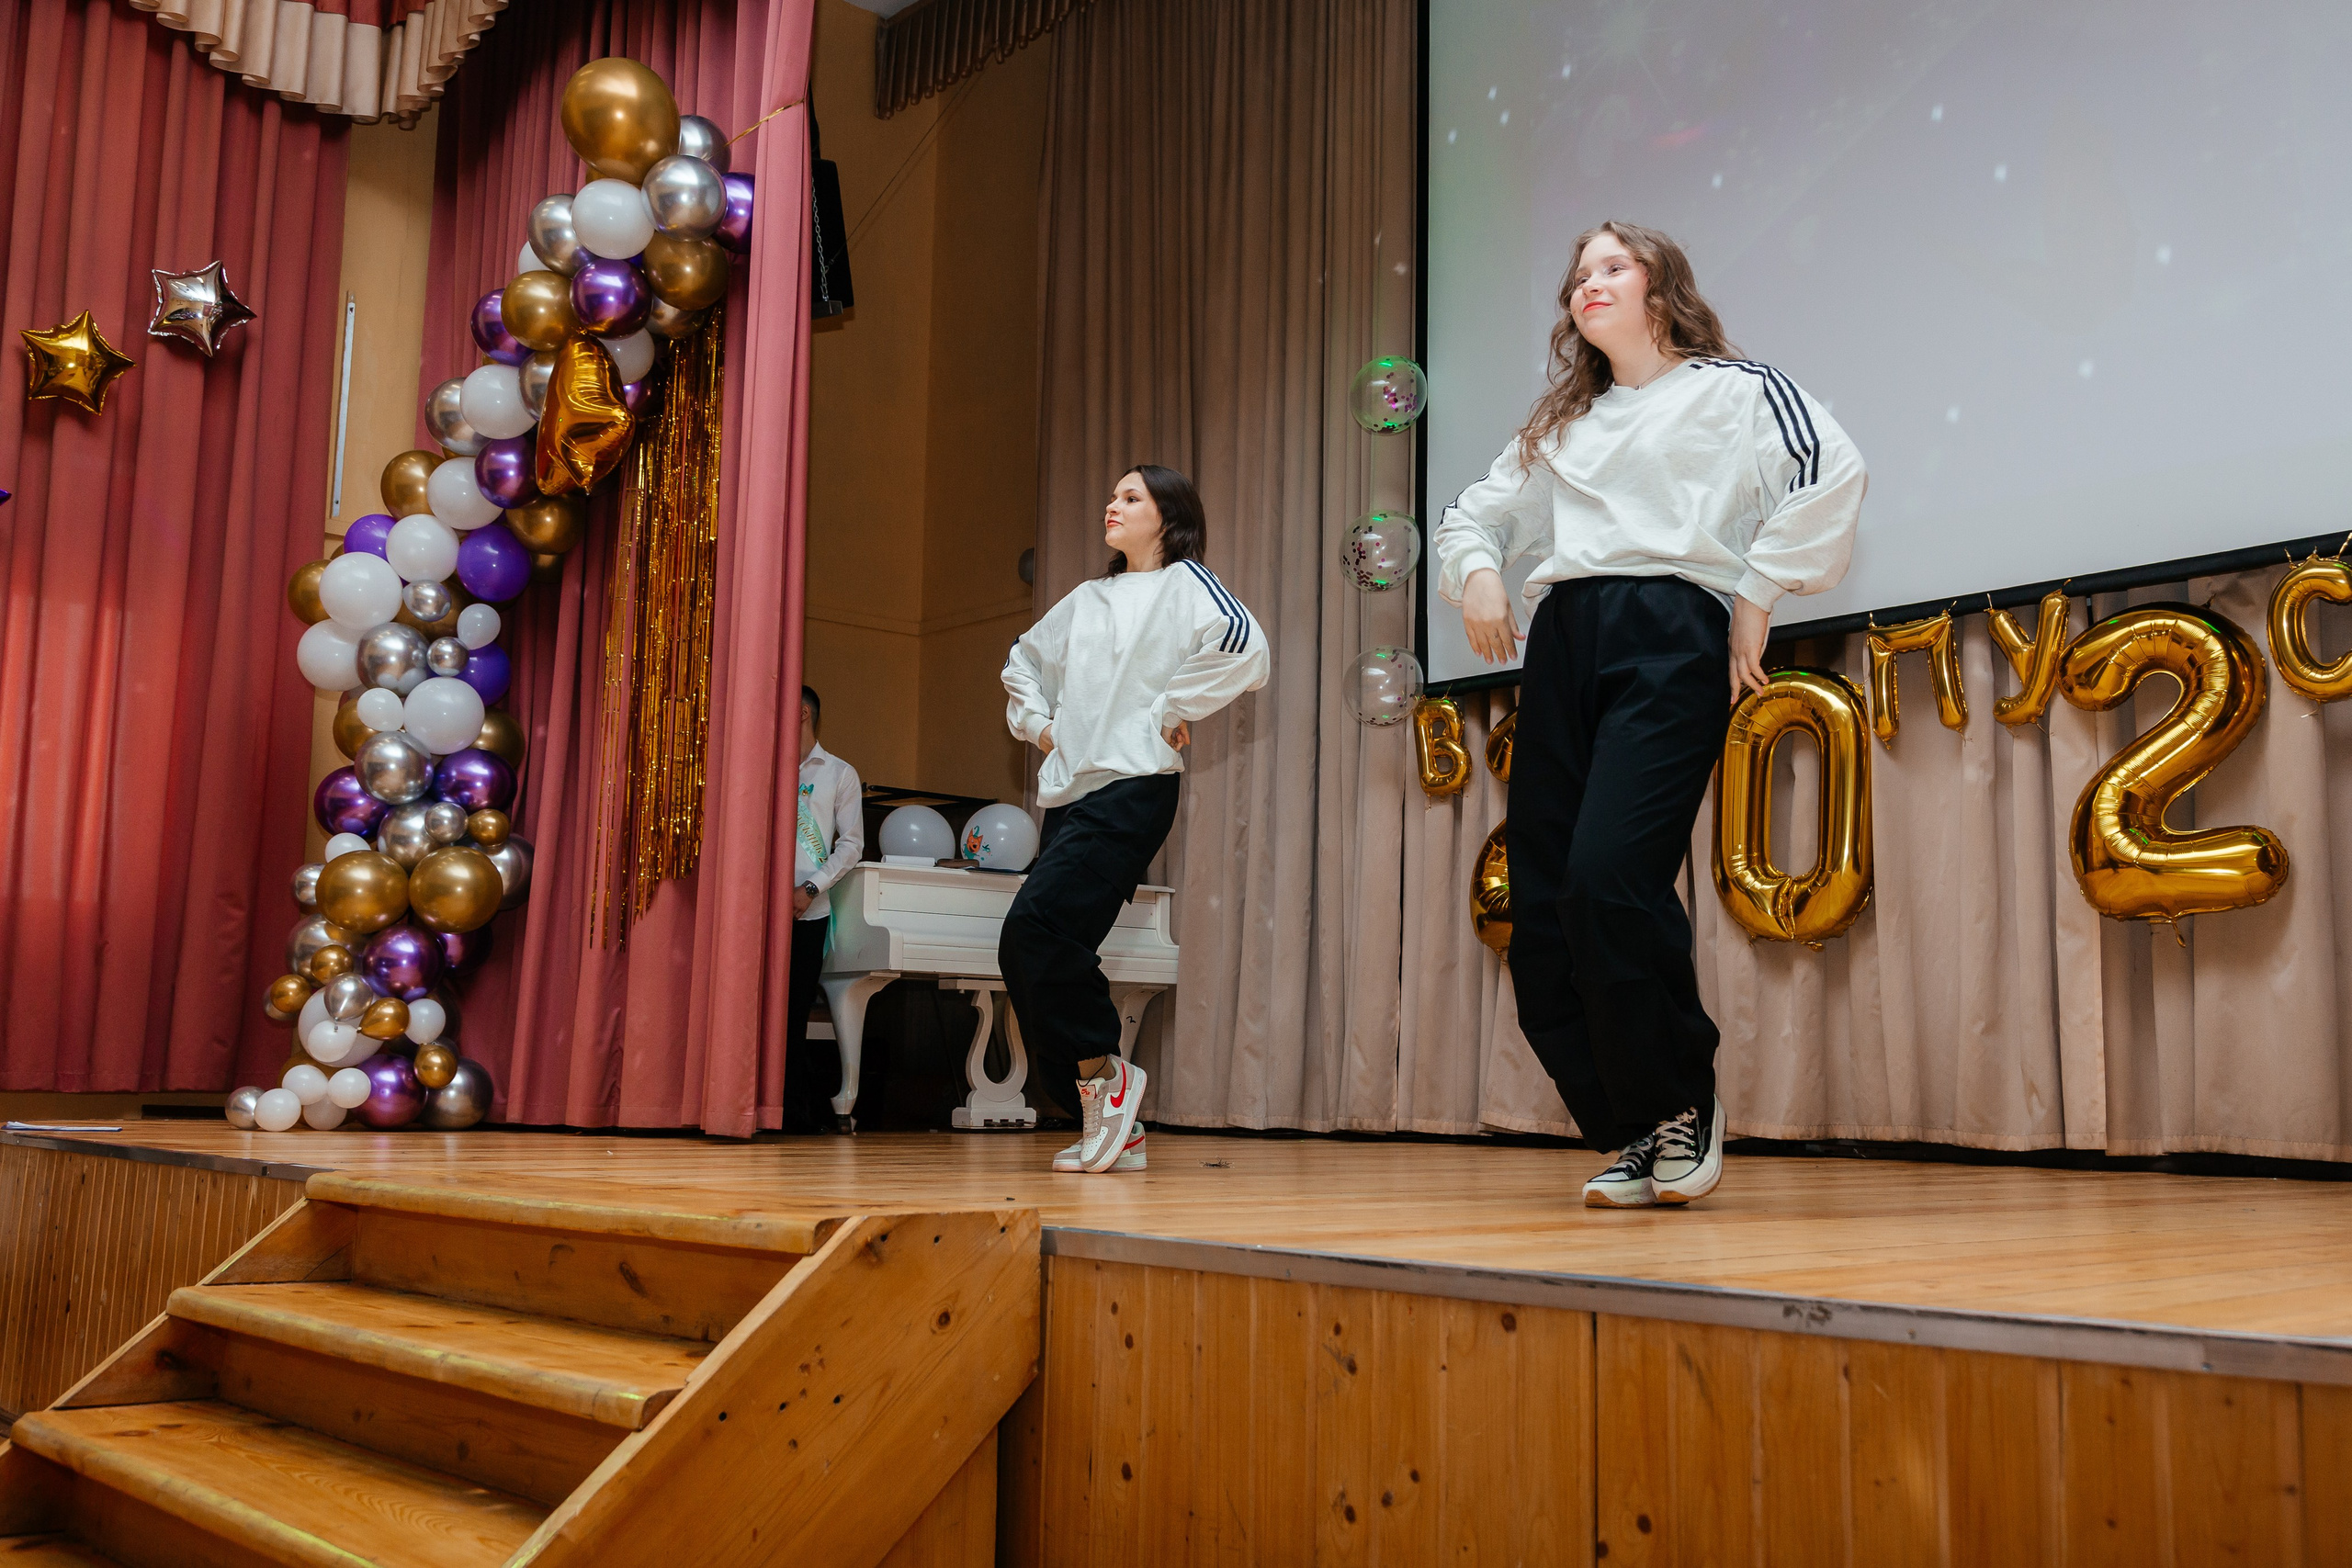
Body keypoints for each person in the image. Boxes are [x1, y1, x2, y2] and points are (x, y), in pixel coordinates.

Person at [1432, 220, 1864, 1208]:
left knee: (1606, 882)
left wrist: (1755, 591)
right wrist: (1479, 574)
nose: (1589, 283)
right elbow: (1474, 514)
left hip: (1670, 629)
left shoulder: (1736, 390)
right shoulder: (1558, 430)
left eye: (1612, 266)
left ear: (1660, 288)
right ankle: (1631, 1123)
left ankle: (1680, 1102)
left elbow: (1828, 473)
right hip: (1566, 643)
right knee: (1541, 916)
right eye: (1579, 273)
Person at [1000, 464, 1270, 1173]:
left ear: (1167, 514)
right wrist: (1041, 726)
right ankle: (1109, 1111)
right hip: (1070, 796)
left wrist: (1172, 708)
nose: (1110, 505)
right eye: (1111, 497)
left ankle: (1106, 1080)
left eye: (1130, 497)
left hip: (1133, 790)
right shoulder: (1088, 598)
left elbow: (1247, 644)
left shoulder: (1187, 586)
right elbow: (1021, 661)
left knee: (1036, 928)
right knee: (1032, 950)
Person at [784, 685, 865, 1133]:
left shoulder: (839, 773)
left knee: (793, 1011)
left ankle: (791, 1113)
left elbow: (851, 844)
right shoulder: (763, 764)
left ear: (800, 713)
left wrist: (809, 888)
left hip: (806, 911)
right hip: (755, 910)